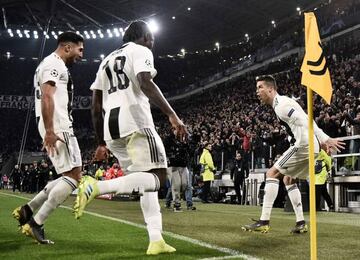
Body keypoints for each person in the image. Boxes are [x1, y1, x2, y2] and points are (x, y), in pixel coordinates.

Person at [73, 20, 188, 255]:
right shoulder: (141, 50)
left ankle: (155, 240)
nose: (153, 42)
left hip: (111, 128)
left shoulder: (105, 60)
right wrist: (172, 115)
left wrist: (100, 143)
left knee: (145, 183)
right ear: (145, 36)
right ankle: (96, 186)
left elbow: (95, 107)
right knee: (159, 177)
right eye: (152, 38)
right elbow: (146, 82)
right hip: (135, 122)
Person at [242, 75, 344, 233]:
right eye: (257, 88)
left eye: (260, 87)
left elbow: (305, 119)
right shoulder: (280, 103)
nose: (257, 91)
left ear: (271, 89)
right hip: (310, 144)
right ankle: (301, 223)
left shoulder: (281, 106)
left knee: (272, 173)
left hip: (304, 145)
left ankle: (264, 221)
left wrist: (325, 138)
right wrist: (320, 141)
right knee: (288, 179)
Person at [12, 32, 84, 244]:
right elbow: (47, 96)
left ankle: (28, 209)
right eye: (80, 49)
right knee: (74, 177)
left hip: (55, 124)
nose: (81, 55)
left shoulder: (51, 63)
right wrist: (51, 131)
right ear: (67, 47)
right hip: (59, 125)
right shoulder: (54, 64)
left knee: (66, 175)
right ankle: (36, 223)